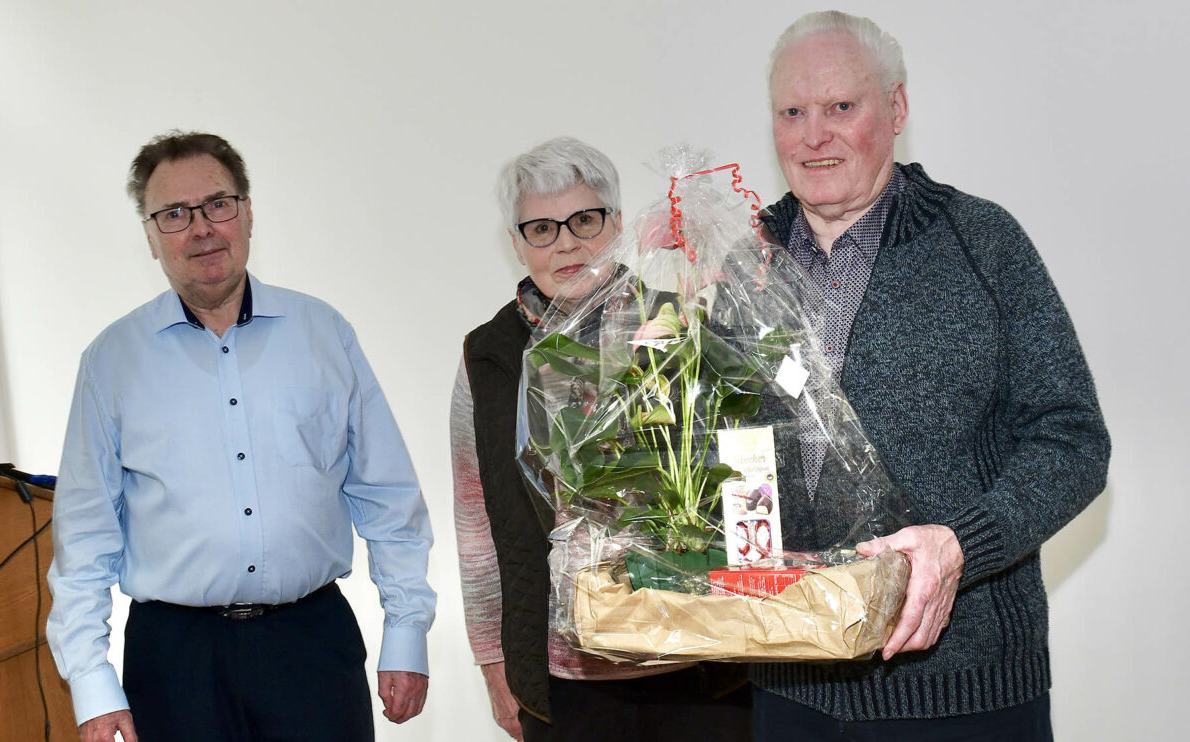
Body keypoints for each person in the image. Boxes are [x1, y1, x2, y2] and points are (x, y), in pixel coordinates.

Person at [748, 11, 1110, 740]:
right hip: (787, 690)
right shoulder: (737, 262)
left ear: (898, 108)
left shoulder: (983, 243)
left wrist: (961, 545)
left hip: (963, 696)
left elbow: (1073, 441)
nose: (814, 135)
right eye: (793, 112)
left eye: (841, 107)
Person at [47, 131, 436, 742]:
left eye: (217, 204)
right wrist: (91, 679)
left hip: (311, 645)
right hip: (174, 662)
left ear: (248, 212)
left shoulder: (323, 334)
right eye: (174, 214)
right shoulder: (111, 362)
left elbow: (388, 495)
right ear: (150, 236)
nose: (201, 228)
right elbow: (84, 535)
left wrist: (407, 630)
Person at [451, 136, 753, 742]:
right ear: (515, 242)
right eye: (540, 227)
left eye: (584, 219)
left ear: (616, 224)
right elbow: (476, 522)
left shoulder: (681, 323)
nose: (565, 242)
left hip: (698, 660)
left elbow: (748, 476)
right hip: (564, 679)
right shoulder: (489, 357)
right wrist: (492, 662)